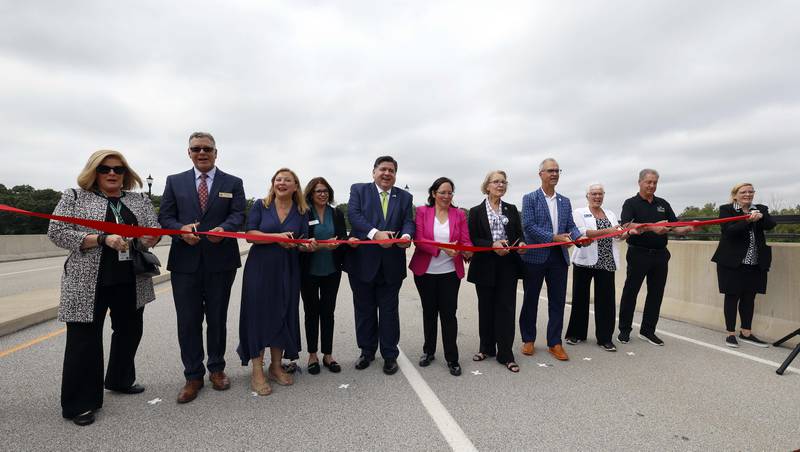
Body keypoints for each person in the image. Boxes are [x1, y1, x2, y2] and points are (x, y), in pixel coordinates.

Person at [48, 150, 160, 426]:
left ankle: (121, 379)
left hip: (131, 277)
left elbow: (154, 229)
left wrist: (150, 237)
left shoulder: (139, 199)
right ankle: (80, 403)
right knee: (83, 341)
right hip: (87, 280)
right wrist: (100, 239)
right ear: (94, 172)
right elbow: (57, 232)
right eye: (105, 168)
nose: (112, 173)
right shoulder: (74, 196)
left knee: (129, 332)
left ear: (126, 173)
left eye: (118, 169)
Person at [158, 132, 246, 403]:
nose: (202, 153)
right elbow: (165, 216)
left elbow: (239, 214)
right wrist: (180, 230)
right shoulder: (175, 182)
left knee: (217, 318)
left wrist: (227, 229)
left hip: (221, 260)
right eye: (196, 149)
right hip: (185, 261)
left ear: (216, 152)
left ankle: (216, 369)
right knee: (188, 321)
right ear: (189, 152)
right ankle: (192, 375)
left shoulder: (233, 182)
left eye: (207, 148)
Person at [237, 168, 315, 395]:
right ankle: (257, 370)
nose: (282, 183)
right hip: (260, 268)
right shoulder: (261, 205)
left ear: (295, 186)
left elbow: (301, 241)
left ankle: (276, 366)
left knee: (284, 312)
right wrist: (276, 238)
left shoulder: (302, 211)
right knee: (257, 315)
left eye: (287, 180)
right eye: (278, 179)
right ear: (273, 183)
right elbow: (250, 235)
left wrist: (304, 245)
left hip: (288, 268)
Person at [346, 156, 414, 375]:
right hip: (363, 263)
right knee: (364, 310)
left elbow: (408, 221)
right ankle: (367, 351)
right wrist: (377, 234)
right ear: (373, 172)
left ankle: (389, 354)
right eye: (383, 169)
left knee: (389, 312)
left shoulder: (404, 197)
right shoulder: (359, 190)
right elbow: (354, 216)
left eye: (391, 170)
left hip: (392, 264)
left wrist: (405, 235)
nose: (387, 173)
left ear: (395, 174)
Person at [617, 169, 694, 346]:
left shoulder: (663, 204)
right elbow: (626, 225)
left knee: (656, 294)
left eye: (655, 182)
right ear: (640, 182)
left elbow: (674, 226)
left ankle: (648, 331)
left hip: (660, 256)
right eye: (648, 182)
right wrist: (652, 227)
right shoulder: (631, 203)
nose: (652, 185)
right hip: (638, 254)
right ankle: (624, 330)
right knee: (631, 292)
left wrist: (688, 228)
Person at [519, 158, 583, 361]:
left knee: (557, 302)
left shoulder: (565, 201)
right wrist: (553, 237)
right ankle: (528, 339)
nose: (554, 174)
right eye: (550, 171)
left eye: (557, 170)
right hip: (535, 257)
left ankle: (554, 343)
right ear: (541, 174)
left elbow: (571, 226)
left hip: (559, 258)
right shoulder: (530, 198)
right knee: (531, 299)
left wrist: (578, 237)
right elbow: (528, 226)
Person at [409, 177, 473, 376]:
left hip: (449, 274)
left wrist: (467, 251)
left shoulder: (459, 214)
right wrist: (443, 248)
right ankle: (428, 351)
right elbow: (419, 240)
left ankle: (452, 358)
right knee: (429, 312)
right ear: (433, 193)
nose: (446, 196)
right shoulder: (422, 212)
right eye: (443, 192)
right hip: (425, 272)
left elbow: (466, 241)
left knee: (448, 315)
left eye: (450, 192)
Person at [467, 170, 526, 373]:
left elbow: (519, 234)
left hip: (507, 265)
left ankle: (506, 354)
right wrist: (492, 244)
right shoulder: (475, 211)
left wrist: (521, 243)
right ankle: (486, 348)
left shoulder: (511, 209)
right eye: (496, 182)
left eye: (503, 182)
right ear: (487, 185)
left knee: (506, 310)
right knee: (486, 308)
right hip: (484, 265)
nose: (500, 185)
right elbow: (473, 239)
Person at [711, 183, 776, 348]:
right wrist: (747, 220)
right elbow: (728, 230)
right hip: (732, 262)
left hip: (755, 262)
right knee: (732, 296)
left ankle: (746, 332)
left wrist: (760, 216)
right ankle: (730, 333)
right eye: (743, 192)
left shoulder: (760, 208)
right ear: (735, 195)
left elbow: (770, 224)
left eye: (750, 191)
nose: (748, 194)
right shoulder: (726, 209)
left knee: (749, 297)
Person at [565, 183, 628, 352]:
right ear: (587, 196)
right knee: (580, 299)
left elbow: (617, 236)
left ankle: (605, 338)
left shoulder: (610, 214)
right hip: (585, 261)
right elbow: (584, 232)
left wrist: (624, 234)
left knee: (606, 302)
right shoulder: (579, 212)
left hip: (607, 261)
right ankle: (576, 334)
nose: (597, 197)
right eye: (594, 194)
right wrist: (610, 230)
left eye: (600, 194)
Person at [299, 177, 347, 374]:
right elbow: (299, 238)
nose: (322, 194)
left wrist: (339, 243)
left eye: (325, 190)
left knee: (328, 312)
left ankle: (328, 354)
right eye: (318, 191)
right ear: (311, 193)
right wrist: (307, 244)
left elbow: (343, 236)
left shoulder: (336, 212)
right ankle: (312, 355)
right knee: (311, 313)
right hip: (309, 270)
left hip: (331, 270)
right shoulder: (303, 212)